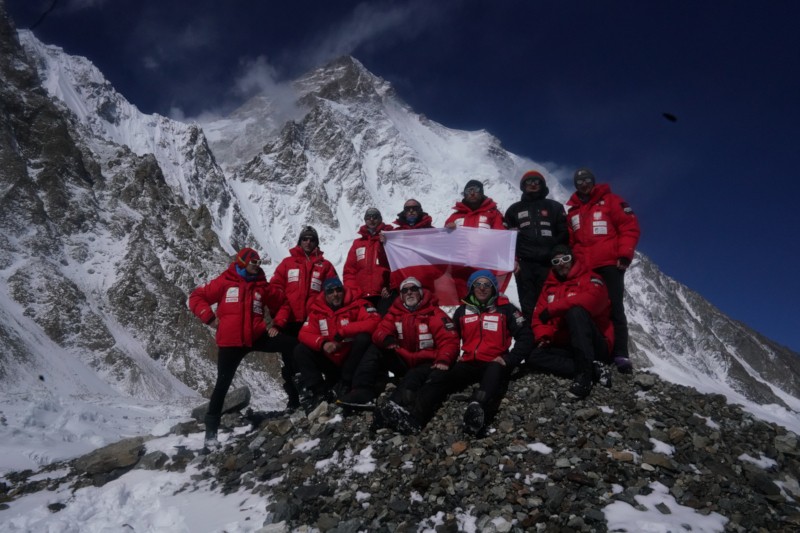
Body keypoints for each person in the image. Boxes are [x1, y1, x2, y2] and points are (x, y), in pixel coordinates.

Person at [382, 270, 533, 436]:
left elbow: (526, 336)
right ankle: (415, 418)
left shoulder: (506, 309)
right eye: (477, 284)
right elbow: (450, 339)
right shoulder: (462, 311)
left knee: (493, 375)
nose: (482, 288)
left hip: (494, 362)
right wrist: (447, 359)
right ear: (471, 288)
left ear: (493, 288)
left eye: (487, 284)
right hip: (468, 362)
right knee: (439, 377)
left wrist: (510, 358)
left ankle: (477, 410)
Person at [189, 248, 298, 448]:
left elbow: (283, 304)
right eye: (253, 262)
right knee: (222, 386)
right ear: (242, 262)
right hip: (230, 343)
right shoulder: (224, 282)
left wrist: (278, 325)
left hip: (257, 337)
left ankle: (298, 393)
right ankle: (211, 434)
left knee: (293, 345)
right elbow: (196, 297)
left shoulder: (261, 287)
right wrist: (210, 318)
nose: (257, 265)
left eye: (259, 262)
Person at [341, 276, 459, 411]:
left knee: (412, 382)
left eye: (413, 289)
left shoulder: (434, 313)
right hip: (402, 359)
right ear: (401, 296)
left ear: (420, 292)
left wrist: (444, 359)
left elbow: (449, 339)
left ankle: (401, 406)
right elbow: (380, 331)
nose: (409, 293)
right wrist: (386, 339)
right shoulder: (395, 312)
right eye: (404, 290)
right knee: (375, 349)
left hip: (427, 362)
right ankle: (363, 391)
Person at [566, 168, 640, 373]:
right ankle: (596, 352)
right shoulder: (572, 212)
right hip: (585, 269)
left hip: (609, 264)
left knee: (614, 307)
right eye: (579, 181)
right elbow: (570, 241)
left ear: (593, 181)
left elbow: (629, 227)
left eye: (587, 180)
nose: (583, 184)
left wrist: (624, 254)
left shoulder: (611, 201)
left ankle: (620, 354)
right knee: (589, 309)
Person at [526, 245, 614, 398]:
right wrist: (544, 336)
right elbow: (538, 317)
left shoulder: (591, 278)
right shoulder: (549, 288)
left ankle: (583, 377)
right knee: (532, 356)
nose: (561, 263)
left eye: (565, 259)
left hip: (595, 344)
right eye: (556, 261)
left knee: (576, 312)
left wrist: (554, 308)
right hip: (567, 344)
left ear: (572, 259)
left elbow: (593, 300)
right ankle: (593, 369)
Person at [294, 277, 381, 412]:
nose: (335, 294)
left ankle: (349, 385)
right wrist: (322, 343)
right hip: (330, 360)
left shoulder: (358, 304)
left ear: (343, 290)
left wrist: (345, 331)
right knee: (301, 349)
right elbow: (304, 333)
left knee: (364, 339)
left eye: (338, 290)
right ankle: (320, 392)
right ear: (324, 294)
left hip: (352, 361)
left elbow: (375, 321)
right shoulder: (317, 311)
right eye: (330, 291)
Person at [504, 170, 568, 320]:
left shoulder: (555, 207)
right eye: (529, 181)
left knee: (551, 301)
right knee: (527, 305)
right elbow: (506, 238)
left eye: (536, 181)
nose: (533, 184)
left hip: (550, 263)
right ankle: (531, 340)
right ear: (523, 186)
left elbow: (564, 233)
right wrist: (513, 259)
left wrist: (556, 253)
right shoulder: (514, 210)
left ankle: (551, 339)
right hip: (524, 264)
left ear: (542, 185)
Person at [271, 226, 338, 337]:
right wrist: (279, 315)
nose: (308, 242)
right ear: (300, 241)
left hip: (313, 319)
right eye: (305, 239)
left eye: (312, 240)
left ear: (316, 243)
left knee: (310, 352)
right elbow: (276, 288)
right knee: (290, 352)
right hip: (289, 319)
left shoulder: (325, 265)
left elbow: (334, 291)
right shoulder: (287, 263)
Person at [343, 207, 394, 314]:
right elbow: (349, 271)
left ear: (380, 219)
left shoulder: (389, 238)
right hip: (362, 296)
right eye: (368, 217)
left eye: (375, 217)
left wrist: (391, 286)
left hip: (384, 295)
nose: (371, 219)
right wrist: (353, 291)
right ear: (365, 220)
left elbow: (396, 265)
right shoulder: (357, 243)